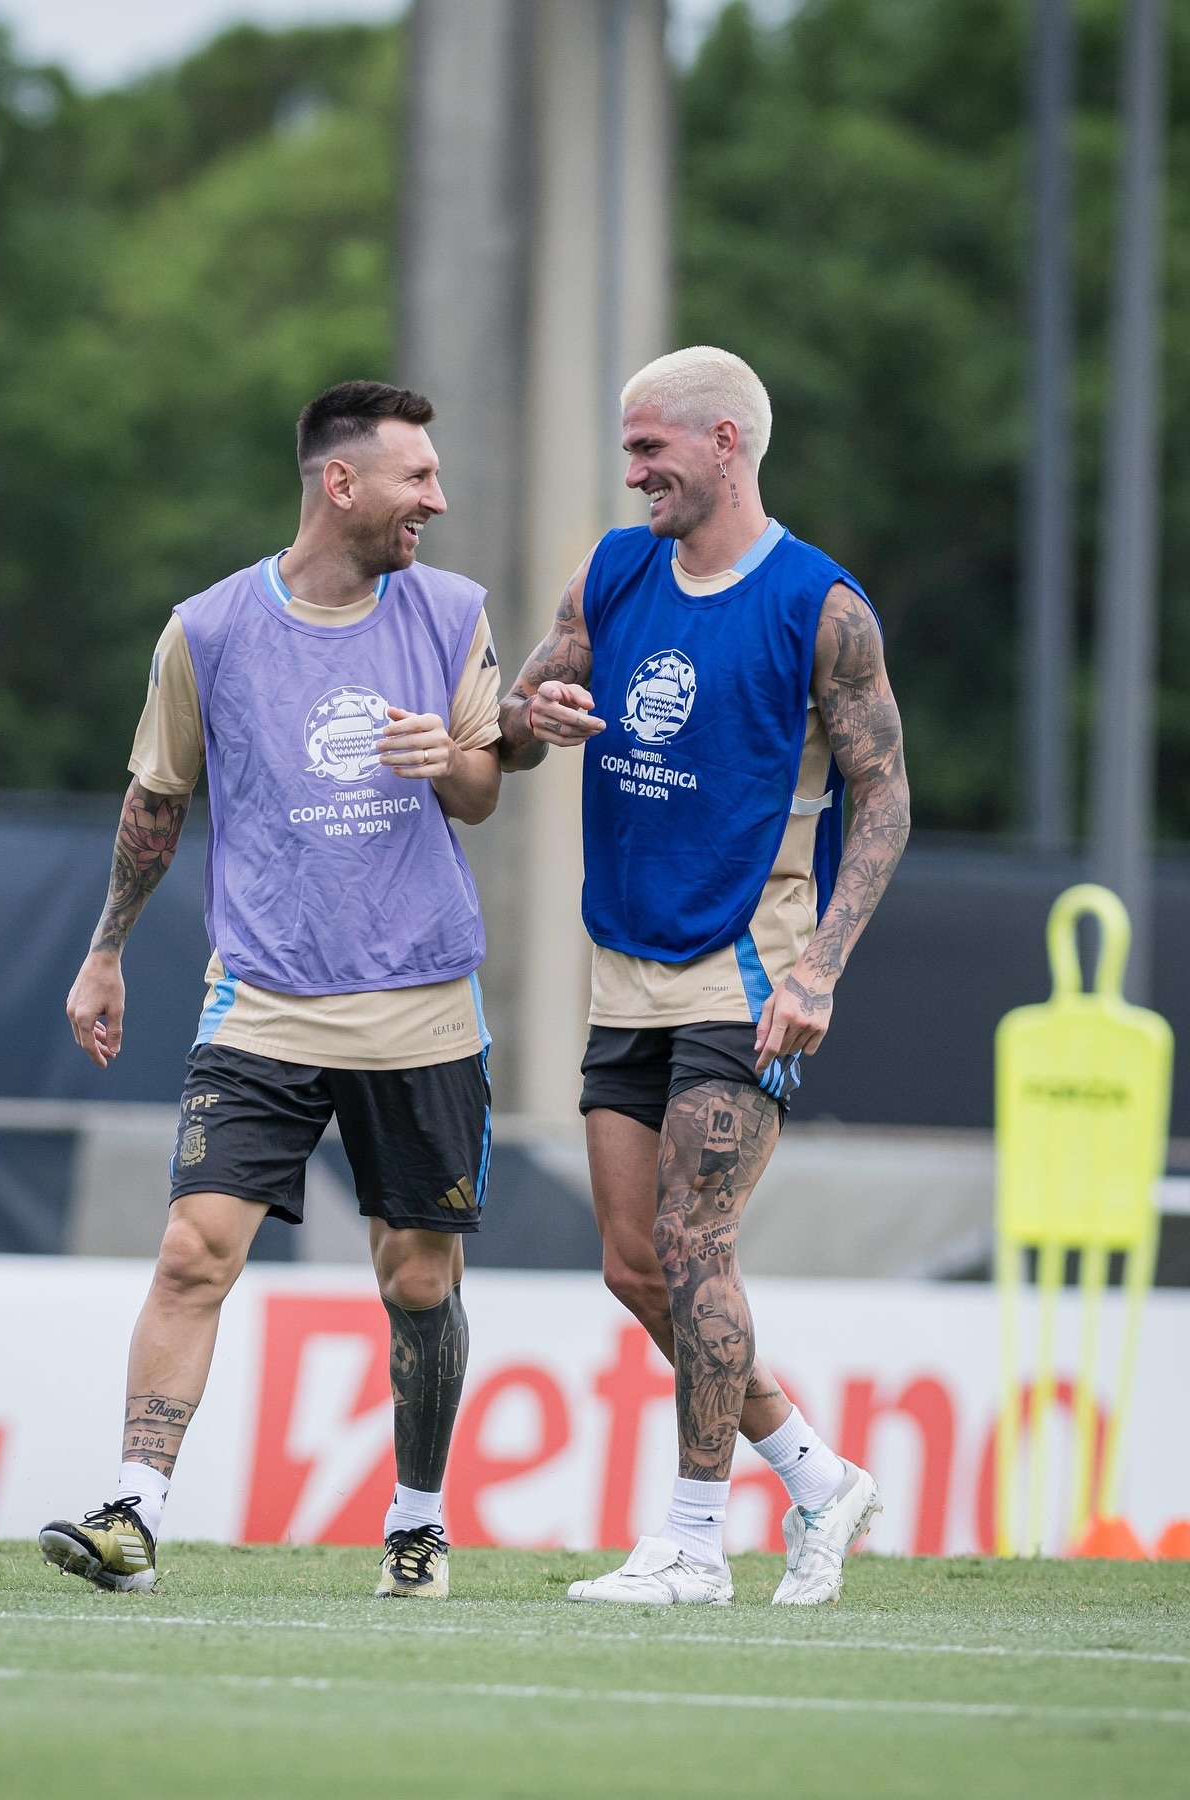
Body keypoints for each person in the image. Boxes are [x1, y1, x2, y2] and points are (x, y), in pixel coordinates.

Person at [39, 381, 502, 1601]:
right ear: (341, 483)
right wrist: (105, 950)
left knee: (418, 1282)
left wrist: (448, 758)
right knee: (194, 1251)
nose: (437, 498)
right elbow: (156, 803)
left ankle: (417, 1522)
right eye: (417, 477)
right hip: (261, 998)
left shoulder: (453, 609)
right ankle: (134, 1513)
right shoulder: (204, 631)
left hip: (422, 1000)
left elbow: (483, 787)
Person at [498, 346, 910, 1606]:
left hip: (750, 968)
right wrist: (532, 720)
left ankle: (690, 1545)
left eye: (649, 448)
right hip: (623, 964)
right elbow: (516, 722)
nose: (633, 473)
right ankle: (819, 1477)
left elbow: (887, 799)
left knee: (693, 1241)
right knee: (634, 1265)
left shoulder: (821, 606)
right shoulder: (612, 571)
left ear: (725, 443)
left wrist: (820, 970)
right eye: (628, 449)